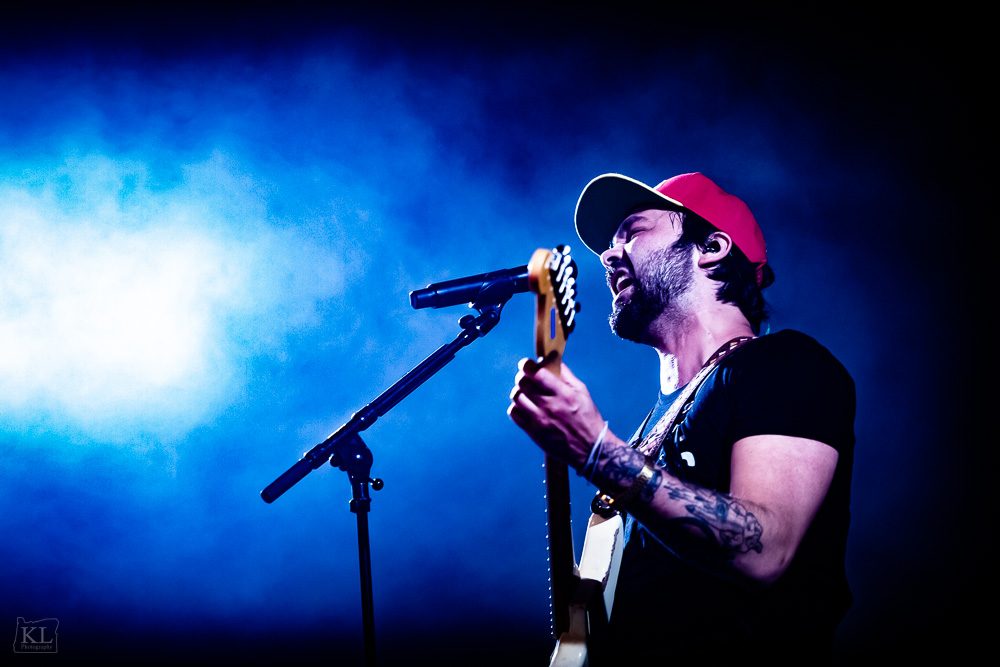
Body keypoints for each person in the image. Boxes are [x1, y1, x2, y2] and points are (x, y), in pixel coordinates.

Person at [508, 172, 855, 664]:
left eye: (633, 230)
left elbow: (765, 551)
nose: (608, 256)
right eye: (609, 244)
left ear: (711, 247)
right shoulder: (647, 431)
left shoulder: (785, 365)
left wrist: (599, 453)